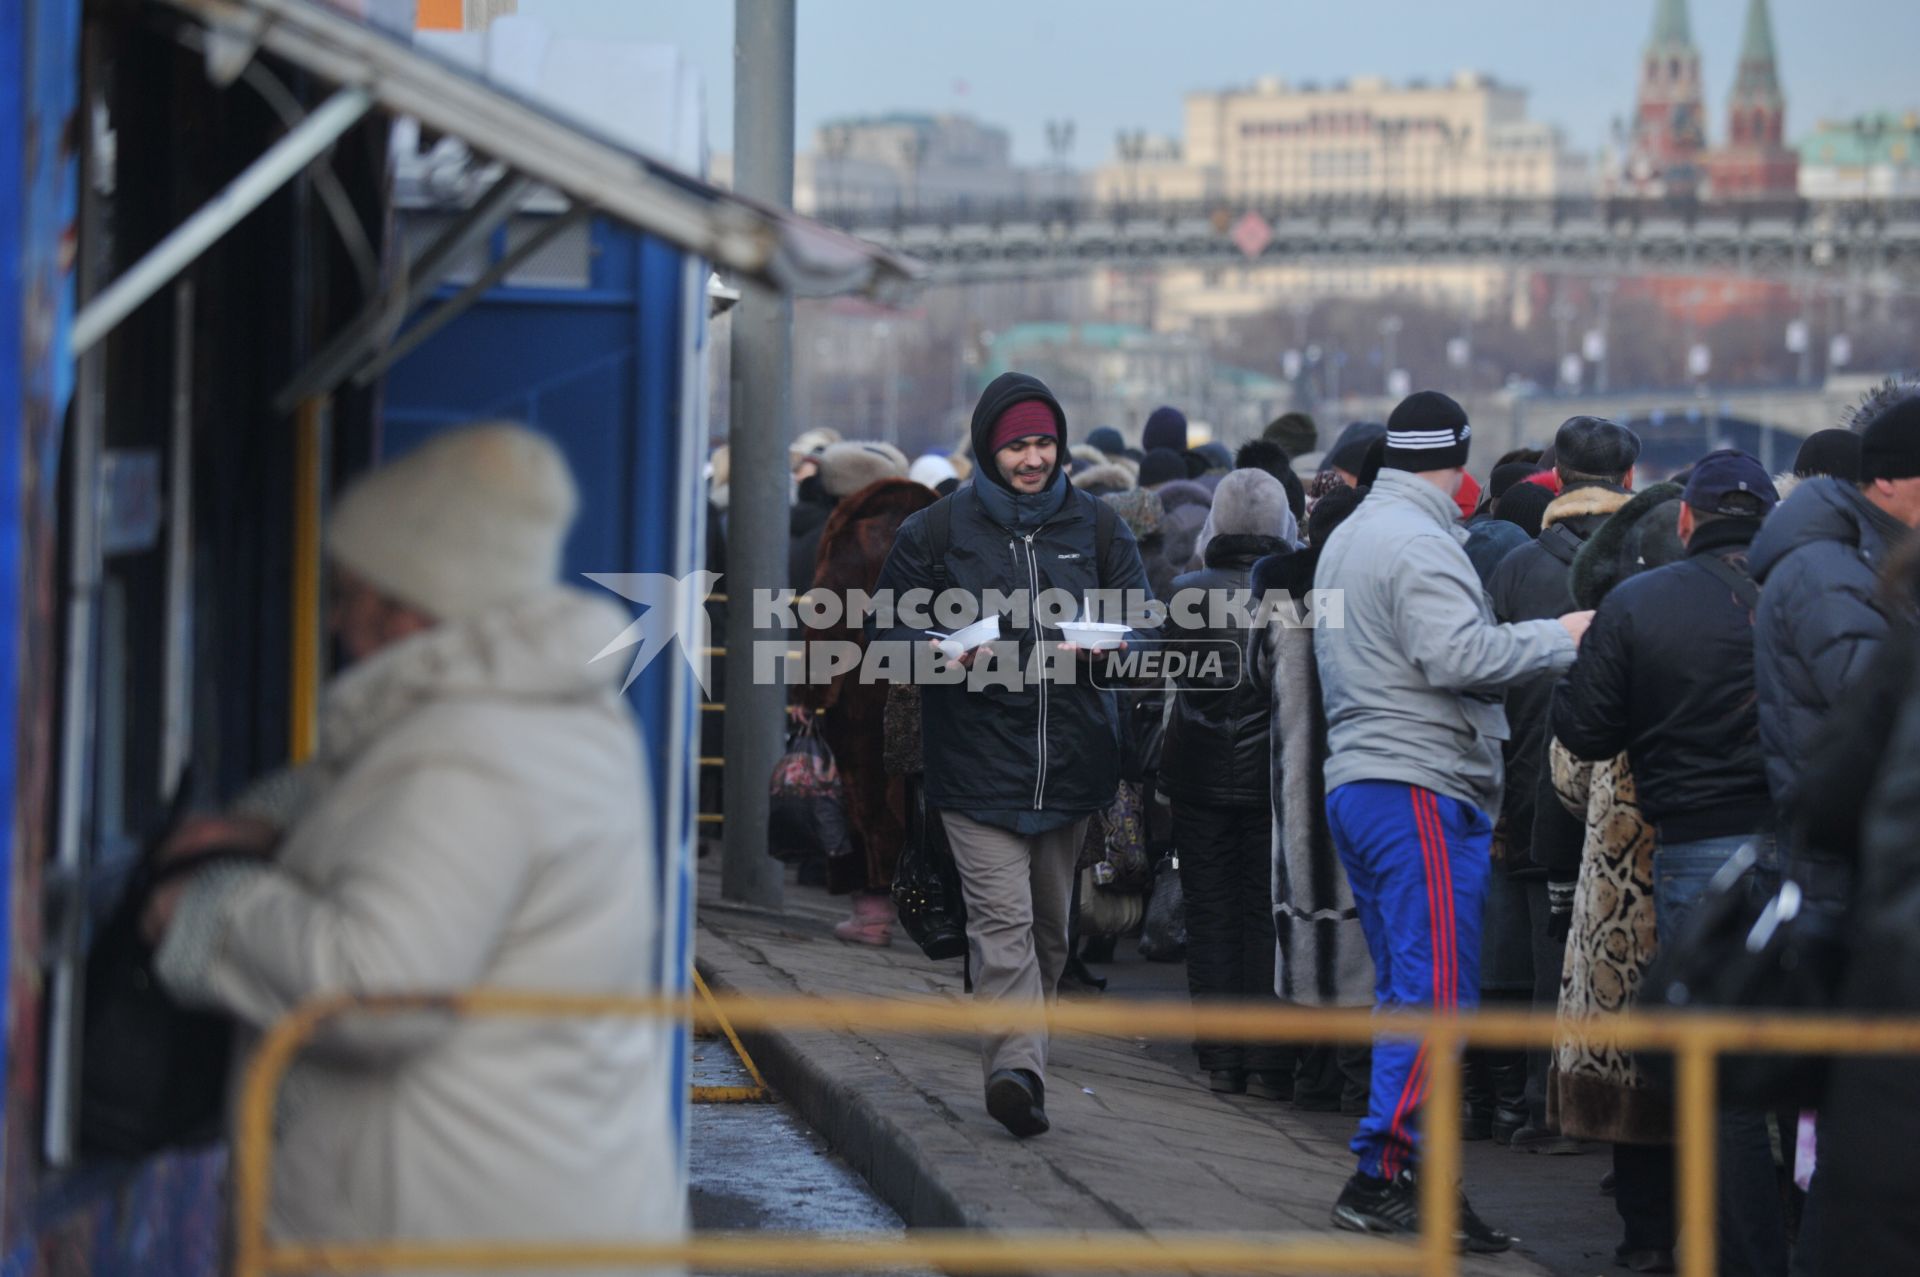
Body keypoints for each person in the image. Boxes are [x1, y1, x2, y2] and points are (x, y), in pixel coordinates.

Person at [144, 423, 679, 1263]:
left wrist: (205, 904)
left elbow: (376, 989)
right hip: (526, 1212)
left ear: (405, 605)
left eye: (347, 592)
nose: (334, 621)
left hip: (442, 1234)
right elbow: (409, 819)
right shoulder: (548, 715)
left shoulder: (469, 752)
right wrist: (285, 823)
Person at [1315, 390, 1590, 1247]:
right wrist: (1561, 634)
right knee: (1434, 997)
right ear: (1460, 461)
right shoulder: (1421, 540)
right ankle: (1386, 1173)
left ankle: (1420, 1180)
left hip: (1366, 780)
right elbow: (1458, 654)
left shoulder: (1352, 534)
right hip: (1418, 786)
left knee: (1409, 990)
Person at [872, 372, 1151, 1139]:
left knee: (1051, 933)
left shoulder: (1098, 528)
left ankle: (1023, 1050)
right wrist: (936, 653)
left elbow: (1146, 627)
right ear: (989, 449)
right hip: (973, 766)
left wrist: (1112, 649)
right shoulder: (934, 534)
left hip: (1070, 768)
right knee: (1000, 925)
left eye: (1043, 442)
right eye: (1017, 444)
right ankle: (1016, 1072)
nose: (1032, 458)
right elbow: (884, 640)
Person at [1551, 449, 1787, 1276]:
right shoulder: (1811, 593)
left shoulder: (1639, 601)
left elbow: (1584, 732)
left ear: (1685, 520)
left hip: (1693, 850)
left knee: (1715, 1070)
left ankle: (1739, 1254)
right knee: (1800, 1055)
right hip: (1804, 847)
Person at [1486, 415, 1639, 1154]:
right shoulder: (1649, 558)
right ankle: (1618, 1108)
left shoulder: (1516, 565)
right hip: (1627, 796)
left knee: (1546, 955)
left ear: (1555, 479)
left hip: (1529, 786)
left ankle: (1536, 1099)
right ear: (1629, 479)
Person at [1544, 482, 1686, 1273]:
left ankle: (1645, 1241)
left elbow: (1568, 770)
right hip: (1723, 874)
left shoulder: (1619, 629)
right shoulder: (1746, 611)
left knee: (1632, 1071)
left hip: (1618, 890)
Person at [1161, 470, 1298, 1097]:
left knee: (1210, 912)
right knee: (1266, 915)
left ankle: (1220, 1057)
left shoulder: (1185, 591)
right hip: (1274, 777)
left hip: (1198, 772)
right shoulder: (1293, 596)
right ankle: (1270, 1063)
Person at [1251, 485, 1372, 1116]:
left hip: (1295, 781)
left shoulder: (1278, 594)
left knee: (1301, 917)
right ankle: (1357, 1079)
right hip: (1363, 778)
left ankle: (1311, 1074)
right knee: (1359, 930)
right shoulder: (1376, 589)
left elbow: (1255, 675)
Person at [1751, 382, 1920, 813]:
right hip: (1851, 843)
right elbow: (1879, 708)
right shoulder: (1824, 571)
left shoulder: (1860, 556)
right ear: (1885, 480)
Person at [799, 474, 939, 945]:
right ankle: (925, 910)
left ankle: (873, 916)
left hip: (860, 695)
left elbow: (826, 620)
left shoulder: (852, 538)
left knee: (864, 802)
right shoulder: (938, 526)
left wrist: (812, 697)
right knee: (917, 801)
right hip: (930, 685)